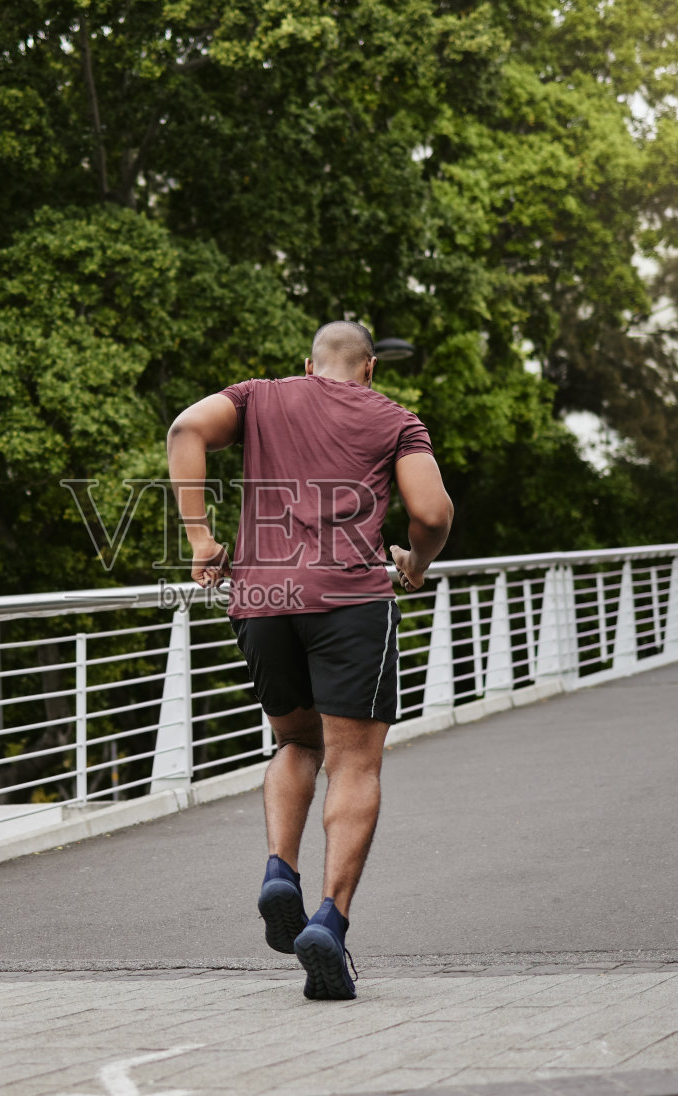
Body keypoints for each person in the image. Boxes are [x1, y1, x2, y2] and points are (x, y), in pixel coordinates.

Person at [166, 320, 454, 999]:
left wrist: (202, 539)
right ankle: (329, 920)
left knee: (295, 742)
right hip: (349, 602)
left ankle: (278, 871)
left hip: (263, 598)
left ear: (308, 362)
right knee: (354, 764)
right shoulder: (397, 420)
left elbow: (184, 429)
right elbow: (433, 513)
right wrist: (415, 559)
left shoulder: (259, 396)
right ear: (370, 368)